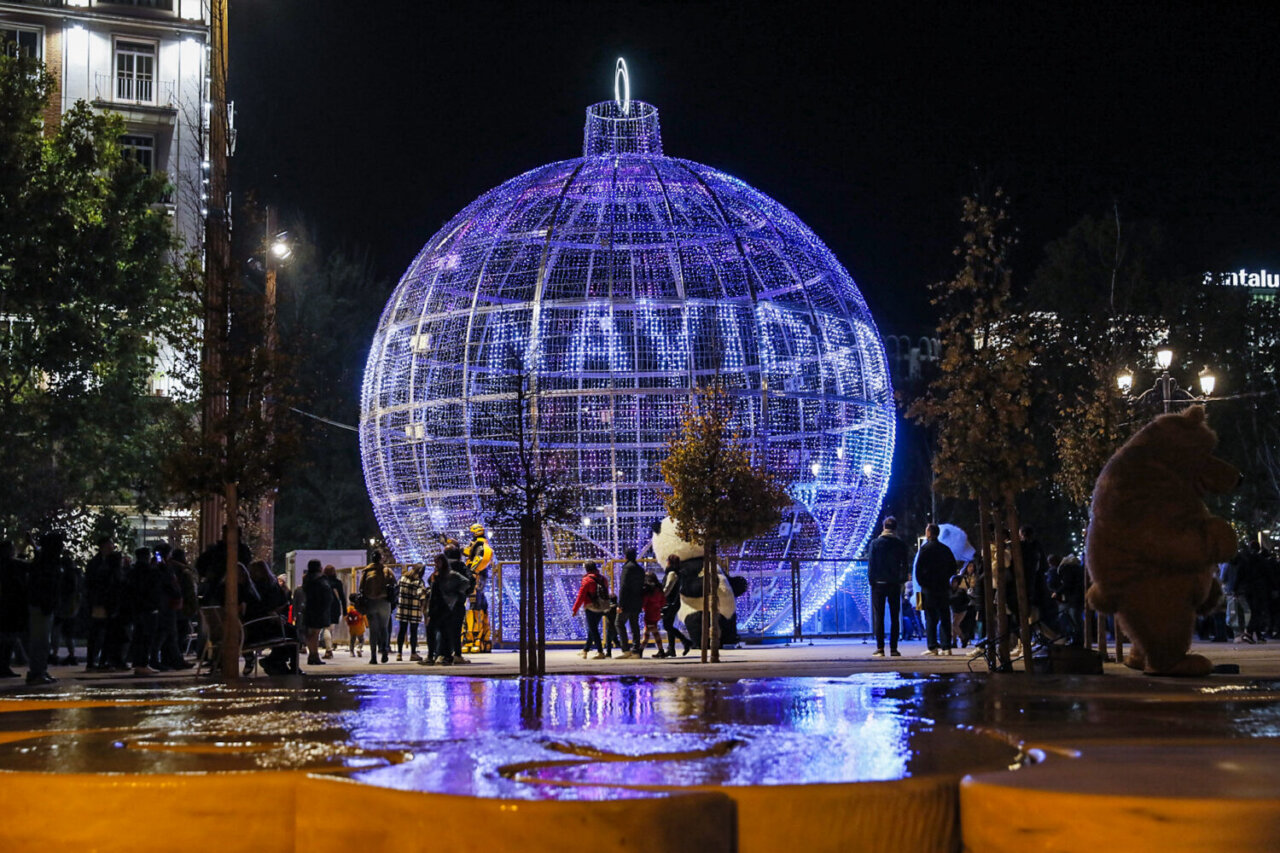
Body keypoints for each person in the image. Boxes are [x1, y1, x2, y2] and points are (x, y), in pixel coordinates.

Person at [27, 533, 66, 684]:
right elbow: (45, 584)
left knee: (43, 640)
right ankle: (37, 672)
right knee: (41, 640)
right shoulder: (47, 562)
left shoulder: (45, 559)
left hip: (44, 604)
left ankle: (39, 670)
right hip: (42, 605)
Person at [866, 516, 908, 657]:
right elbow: (904, 564)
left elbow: (871, 564)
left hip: (879, 584)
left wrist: (872, 581)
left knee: (879, 616)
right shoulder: (900, 544)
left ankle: (880, 648)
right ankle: (894, 648)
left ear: (884, 527)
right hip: (894, 584)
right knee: (895, 617)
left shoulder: (875, 543)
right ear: (895, 528)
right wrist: (901, 580)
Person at [914, 523, 956, 655]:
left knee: (930, 617)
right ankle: (946, 646)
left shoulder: (925, 549)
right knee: (945, 616)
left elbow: (918, 569)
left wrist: (922, 584)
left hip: (929, 588)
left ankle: (932, 646)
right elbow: (952, 568)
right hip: (943, 587)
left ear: (928, 533)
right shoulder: (945, 549)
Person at [359, 551, 396, 665]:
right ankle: (384, 650)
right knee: (384, 628)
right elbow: (394, 585)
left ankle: (373, 656)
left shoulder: (366, 572)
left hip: (371, 602)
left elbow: (361, 588)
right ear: (381, 559)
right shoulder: (387, 571)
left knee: (373, 630)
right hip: (384, 602)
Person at [0, 541, 29, 678]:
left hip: (6, 605)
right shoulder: (13, 565)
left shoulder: (6, 564)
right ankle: (4, 666)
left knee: (7, 638)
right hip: (12, 606)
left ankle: (4, 666)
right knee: (9, 638)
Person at [571, 561, 610, 659]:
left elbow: (581, 595)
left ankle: (600, 651)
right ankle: (585, 650)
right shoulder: (603, 578)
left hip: (591, 607)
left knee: (593, 629)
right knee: (592, 629)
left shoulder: (587, 580)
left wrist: (575, 609)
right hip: (602, 606)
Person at [661, 554, 692, 657]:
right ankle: (671, 649)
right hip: (673, 603)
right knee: (669, 625)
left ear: (670, 562)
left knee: (667, 625)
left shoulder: (672, 574)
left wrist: (660, 596)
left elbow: (668, 588)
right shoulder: (675, 573)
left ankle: (685, 641)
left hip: (670, 603)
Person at [616, 548, 645, 658]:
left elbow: (624, 587)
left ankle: (626, 649)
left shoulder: (627, 568)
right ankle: (636, 650)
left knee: (619, 623)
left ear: (626, 556)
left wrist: (620, 604)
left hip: (627, 602)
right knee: (634, 625)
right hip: (637, 601)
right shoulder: (640, 569)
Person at [395, 564, 427, 661]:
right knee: (413, 632)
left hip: (402, 608)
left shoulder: (403, 578)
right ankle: (413, 653)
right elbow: (421, 594)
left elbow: (397, 589)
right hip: (414, 609)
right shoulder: (419, 582)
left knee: (402, 631)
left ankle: (399, 654)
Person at [638, 571, 667, 657]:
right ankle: (661, 650)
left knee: (647, 633)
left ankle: (640, 650)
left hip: (649, 613)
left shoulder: (648, 591)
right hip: (656, 613)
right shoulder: (659, 590)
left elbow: (644, 602)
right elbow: (663, 602)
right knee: (654, 632)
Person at [321, 565, 346, 659]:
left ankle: (328, 650)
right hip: (335, 608)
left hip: (325, 607)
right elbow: (342, 598)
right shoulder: (338, 582)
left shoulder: (323, 582)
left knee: (326, 629)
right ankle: (329, 647)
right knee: (330, 628)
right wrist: (345, 611)